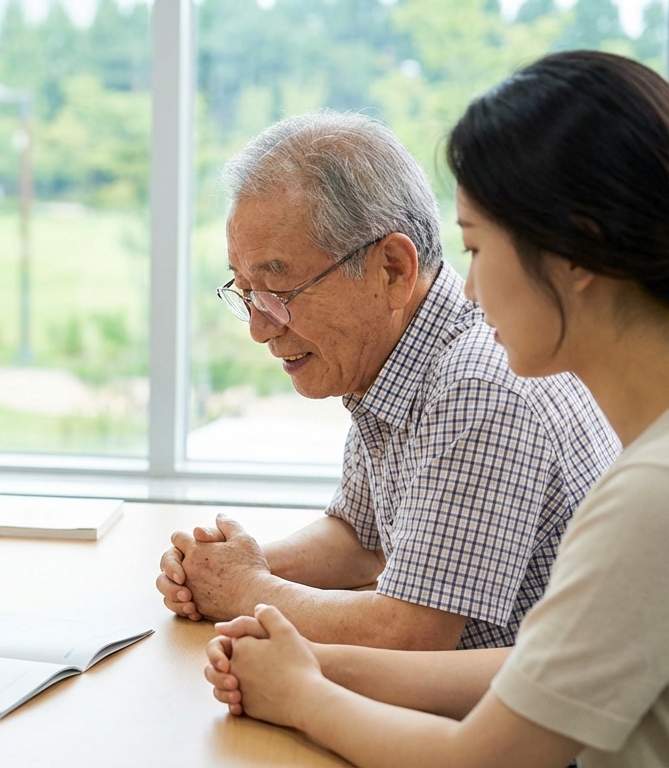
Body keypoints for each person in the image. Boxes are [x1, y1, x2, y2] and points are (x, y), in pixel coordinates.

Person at [206, 50, 669, 767]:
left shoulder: (648, 494)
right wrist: (308, 662)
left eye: (479, 248)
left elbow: (485, 756)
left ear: (581, 251)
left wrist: (301, 688)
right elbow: (540, 666)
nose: (472, 291)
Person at [156, 112, 618, 651]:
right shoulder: (393, 355)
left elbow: (411, 632)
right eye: (247, 294)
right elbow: (361, 541)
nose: (260, 329)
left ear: (392, 269)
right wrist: (229, 564)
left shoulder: (478, 385)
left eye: (279, 293)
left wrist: (245, 589)